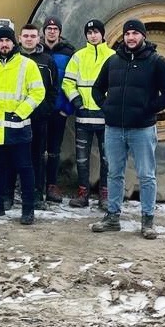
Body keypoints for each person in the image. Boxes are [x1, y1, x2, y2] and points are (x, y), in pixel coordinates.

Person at [91, 18, 165, 239]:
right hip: (114, 129)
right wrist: (106, 108)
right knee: (114, 174)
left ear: (143, 36)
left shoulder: (157, 62)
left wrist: (148, 110)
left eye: (135, 33)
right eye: (127, 34)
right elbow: (97, 89)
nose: (130, 37)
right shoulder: (113, 61)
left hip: (142, 130)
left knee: (146, 175)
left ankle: (147, 221)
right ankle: (112, 217)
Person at [0, 25, 45, 224]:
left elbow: (38, 92)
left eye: (8, 41)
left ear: (14, 43)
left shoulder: (27, 65)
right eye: (1, 41)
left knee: (24, 168)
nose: (4, 44)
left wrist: (20, 113)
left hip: (18, 128)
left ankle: (28, 209)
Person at [62, 19, 115, 209]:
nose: (93, 36)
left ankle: (104, 196)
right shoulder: (78, 57)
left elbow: (118, 85)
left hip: (106, 118)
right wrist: (77, 101)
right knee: (82, 159)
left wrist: (109, 105)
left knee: (107, 159)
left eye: (96, 32)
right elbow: (68, 82)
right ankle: (83, 194)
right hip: (83, 117)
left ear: (102, 34)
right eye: (89, 33)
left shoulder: (113, 57)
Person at [10, 23, 58, 209]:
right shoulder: (13, 59)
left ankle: (36, 193)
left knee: (37, 156)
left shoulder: (47, 61)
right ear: (19, 38)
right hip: (16, 118)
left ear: (39, 39)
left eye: (32, 36)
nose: (29, 39)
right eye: (26, 36)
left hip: (38, 119)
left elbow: (53, 89)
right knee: (13, 155)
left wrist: (45, 110)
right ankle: (11, 192)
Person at [41, 17, 76, 203]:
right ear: (44, 31)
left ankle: (51, 186)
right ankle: (36, 185)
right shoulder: (37, 50)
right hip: (39, 110)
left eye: (55, 29)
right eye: (49, 28)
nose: (52, 31)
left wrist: (67, 109)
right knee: (37, 149)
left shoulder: (69, 52)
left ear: (59, 32)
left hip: (59, 110)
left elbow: (75, 80)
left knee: (54, 150)